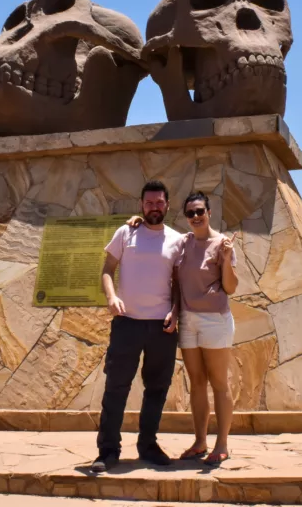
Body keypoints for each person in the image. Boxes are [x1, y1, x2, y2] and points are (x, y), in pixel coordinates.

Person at [126, 191, 238, 466]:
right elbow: (158, 236)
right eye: (190, 213)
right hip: (188, 321)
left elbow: (232, 287)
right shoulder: (182, 243)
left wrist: (225, 259)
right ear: (185, 217)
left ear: (209, 212)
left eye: (200, 211)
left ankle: (221, 444)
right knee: (197, 384)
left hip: (215, 321)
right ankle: (200, 441)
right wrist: (139, 220)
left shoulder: (222, 244)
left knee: (219, 383)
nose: (196, 217)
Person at [91, 180, 184, 474]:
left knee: (157, 389)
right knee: (115, 388)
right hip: (126, 324)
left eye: (159, 202)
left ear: (167, 205)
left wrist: (176, 312)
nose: (154, 207)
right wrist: (111, 297)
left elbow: (180, 283)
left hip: (162, 327)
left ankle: (148, 444)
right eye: (148, 203)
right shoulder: (126, 232)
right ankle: (107, 451)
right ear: (141, 205)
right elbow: (107, 270)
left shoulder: (178, 240)